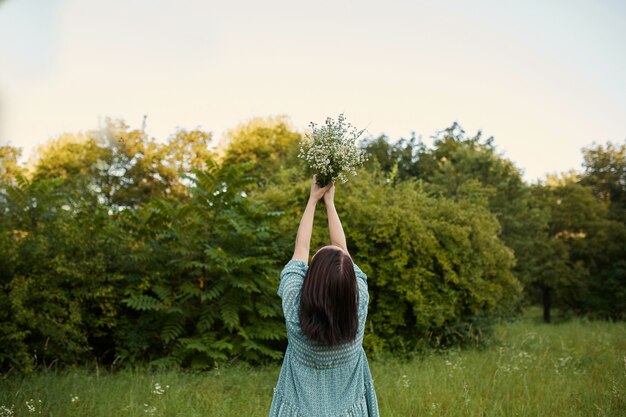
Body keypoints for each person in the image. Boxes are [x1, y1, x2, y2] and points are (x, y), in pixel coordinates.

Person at [268, 176, 380, 417]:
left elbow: (301, 248)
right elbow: (343, 248)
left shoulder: (293, 303)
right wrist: (330, 202)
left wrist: (313, 200)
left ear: (312, 278)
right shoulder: (358, 304)